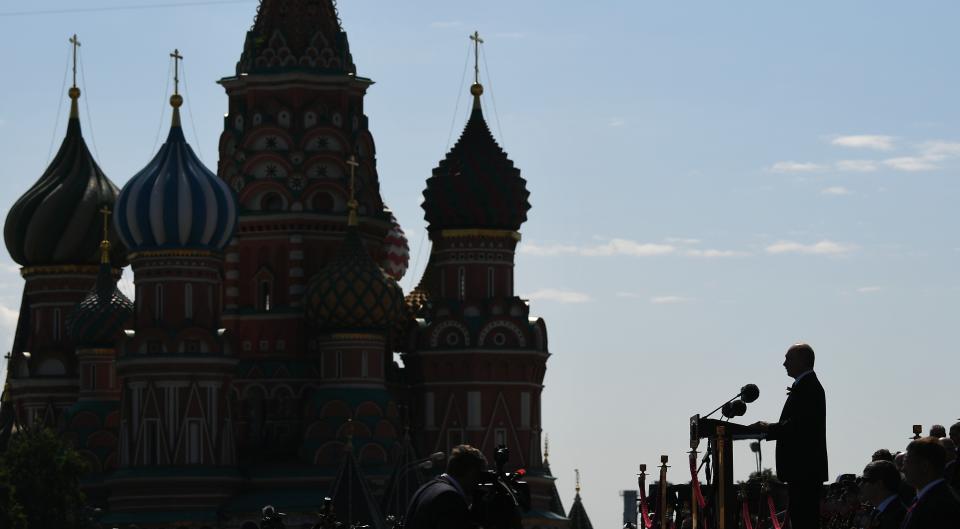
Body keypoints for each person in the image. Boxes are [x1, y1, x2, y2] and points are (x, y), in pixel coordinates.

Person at [750, 343, 827, 529]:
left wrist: (769, 428)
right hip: (800, 471)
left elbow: (799, 426)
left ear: (802, 360)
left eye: (788, 359)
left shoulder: (810, 387)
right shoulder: (804, 386)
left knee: (805, 521)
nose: (784, 363)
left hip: (805, 469)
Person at [404, 445, 486, 529]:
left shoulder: (426, 488)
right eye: (480, 475)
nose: (479, 482)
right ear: (472, 473)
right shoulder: (450, 497)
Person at [900, 436, 960, 528]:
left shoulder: (941, 506)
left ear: (924, 466)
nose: (902, 469)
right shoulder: (924, 499)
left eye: (906, 462)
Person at [859, 460, 906, 529]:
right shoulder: (877, 513)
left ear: (879, 484)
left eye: (865, 481)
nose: (860, 485)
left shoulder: (899, 515)